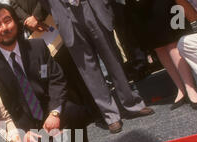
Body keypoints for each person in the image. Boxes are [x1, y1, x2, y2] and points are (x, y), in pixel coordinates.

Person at [0, 3, 93, 142]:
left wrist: (55, 113)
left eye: (7, 20)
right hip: (23, 126)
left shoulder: (37, 46)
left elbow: (57, 79)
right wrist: (21, 133)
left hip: (48, 112)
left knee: (75, 110)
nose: (4, 28)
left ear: (16, 22)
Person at [41, 0, 155, 134]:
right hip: (65, 14)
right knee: (88, 71)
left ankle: (132, 103)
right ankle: (110, 115)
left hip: (92, 6)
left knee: (113, 59)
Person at [128, 0, 197, 110]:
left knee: (172, 40)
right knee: (158, 46)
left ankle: (190, 87)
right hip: (138, 5)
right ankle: (180, 88)